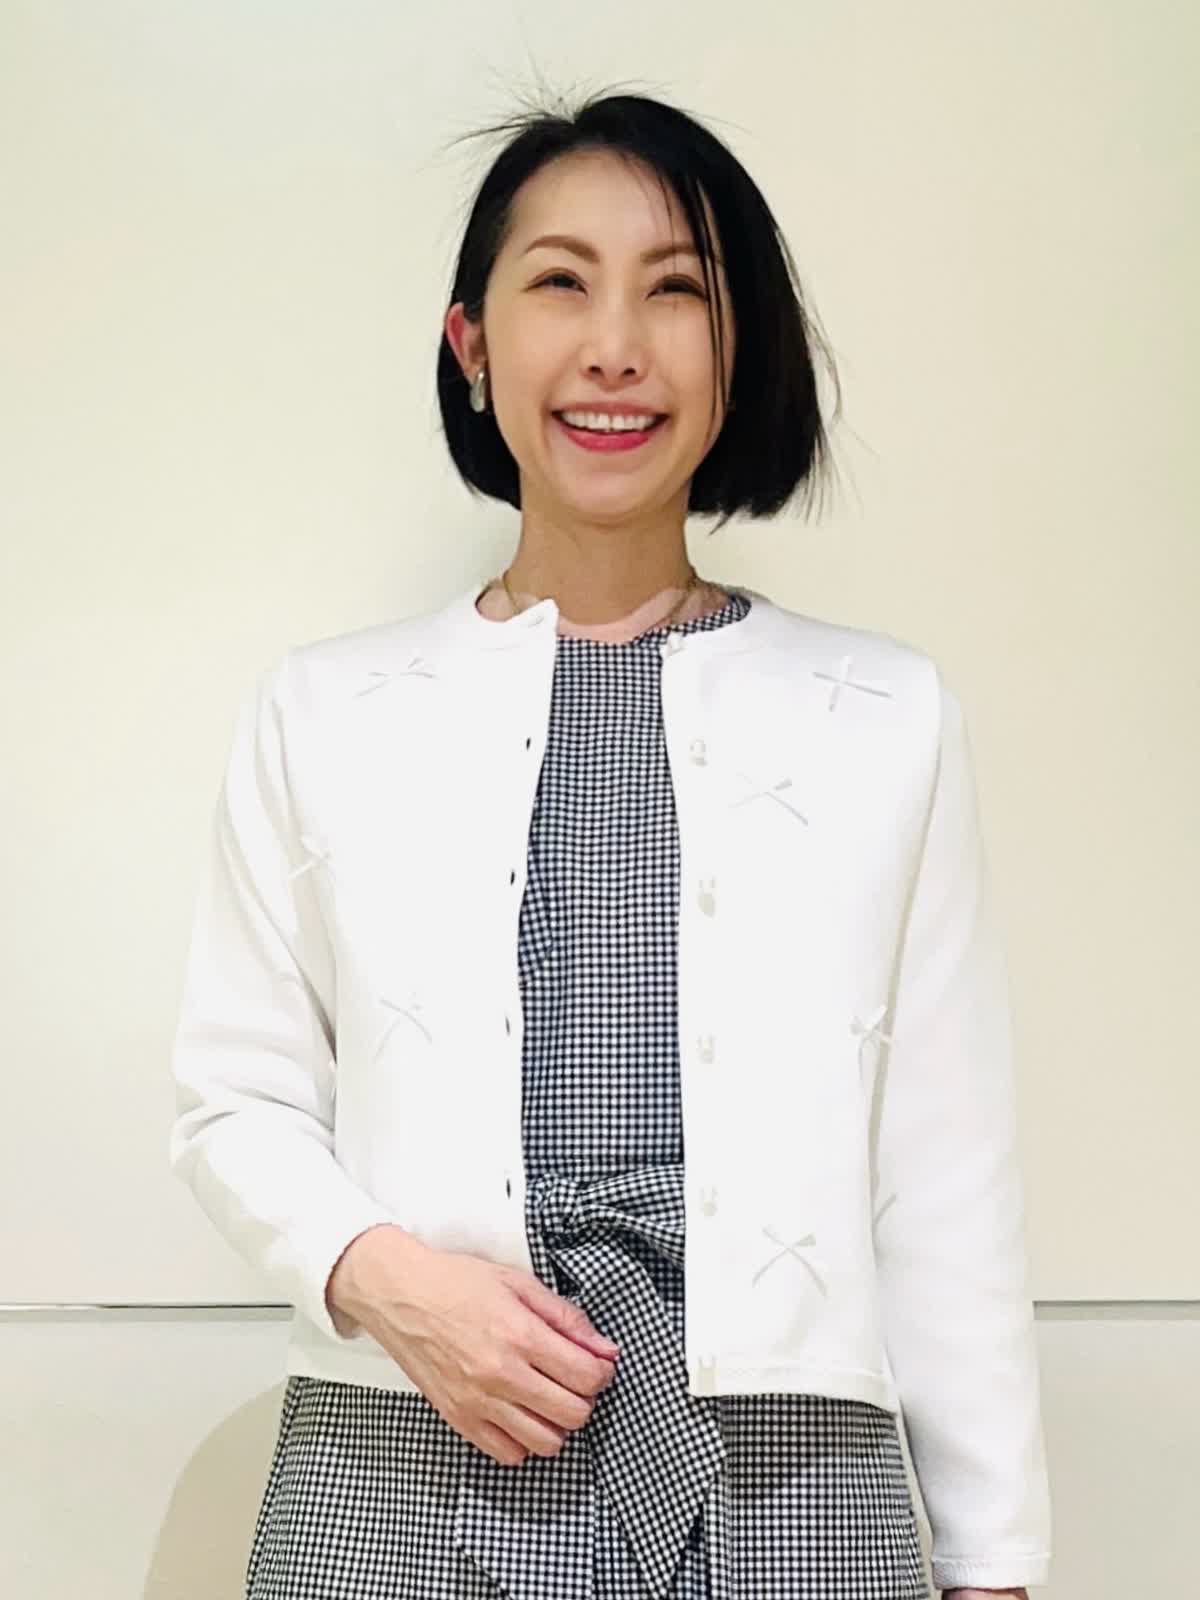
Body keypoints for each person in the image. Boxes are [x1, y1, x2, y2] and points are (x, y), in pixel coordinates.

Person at [169, 87, 1051, 1599]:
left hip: (790, 1490)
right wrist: (396, 1287)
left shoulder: (886, 717)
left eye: (676, 291)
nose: (616, 347)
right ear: (473, 345)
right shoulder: (320, 712)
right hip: (406, 1453)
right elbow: (232, 1099)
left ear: (737, 349)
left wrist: (993, 1564)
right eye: (561, 282)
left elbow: (947, 1172)